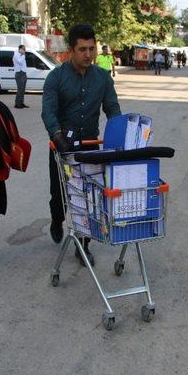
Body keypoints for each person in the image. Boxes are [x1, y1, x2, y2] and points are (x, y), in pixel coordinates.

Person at [41, 24, 122, 264]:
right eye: (82, 49)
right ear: (71, 50)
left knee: (89, 198)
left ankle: (83, 245)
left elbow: (113, 109)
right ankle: (57, 219)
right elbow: (48, 112)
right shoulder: (56, 77)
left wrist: (121, 134)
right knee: (60, 196)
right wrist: (57, 136)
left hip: (90, 147)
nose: (88, 54)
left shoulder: (103, 78)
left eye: (92, 48)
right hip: (62, 147)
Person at [13, 44, 28, 109]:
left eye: (25, 49)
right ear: (20, 49)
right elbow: (20, 62)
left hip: (23, 73)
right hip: (19, 73)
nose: (24, 50)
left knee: (23, 90)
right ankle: (17, 104)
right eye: (23, 49)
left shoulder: (22, 55)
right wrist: (23, 55)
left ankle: (21, 103)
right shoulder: (16, 55)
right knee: (20, 89)